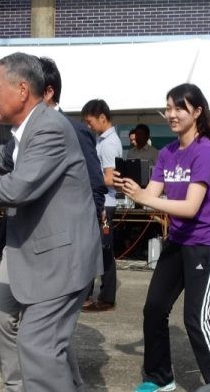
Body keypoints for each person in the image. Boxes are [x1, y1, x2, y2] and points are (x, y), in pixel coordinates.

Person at [0, 52, 102, 392]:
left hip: (59, 260)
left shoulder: (50, 128)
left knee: (38, 343)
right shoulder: (30, 129)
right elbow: (0, 158)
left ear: (22, 90)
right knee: (36, 341)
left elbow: (19, 186)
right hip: (39, 253)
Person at [117, 83, 210, 392]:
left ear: (196, 112)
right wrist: (130, 189)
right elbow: (149, 196)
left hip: (205, 245)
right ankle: (159, 378)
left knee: (197, 320)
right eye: (168, 108)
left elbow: (189, 207)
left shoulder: (206, 151)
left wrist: (146, 197)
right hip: (179, 242)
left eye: (178, 108)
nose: (171, 114)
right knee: (154, 309)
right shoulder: (168, 152)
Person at [81, 99, 122, 312]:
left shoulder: (109, 144)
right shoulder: (102, 141)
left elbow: (110, 178)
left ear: (102, 118)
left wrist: (87, 178)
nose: (89, 126)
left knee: (104, 250)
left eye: (90, 122)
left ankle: (106, 297)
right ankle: (90, 294)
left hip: (105, 203)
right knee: (96, 249)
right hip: (101, 203)